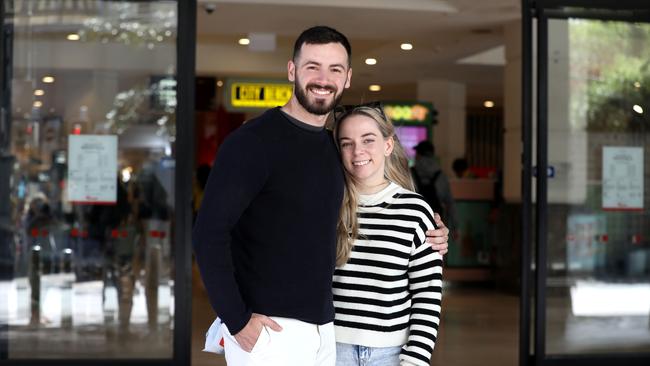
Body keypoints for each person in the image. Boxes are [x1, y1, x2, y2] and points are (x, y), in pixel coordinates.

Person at [192, 26, 449, 366]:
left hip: (326, 329)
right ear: (292, 70)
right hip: (270, 329)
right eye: (312, 66)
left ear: (347, 78)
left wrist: (434, 232)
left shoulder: (333, 149)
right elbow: (208, 233)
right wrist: (237, 320)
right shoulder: (252, 142)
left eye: (335, 69)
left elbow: (369, 203)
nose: (323, 78)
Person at [332, 104, 443, 366]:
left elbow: (427, 292)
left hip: (391, 355)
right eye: (346, 143)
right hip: (330, 351)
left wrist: (415, 359)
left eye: (368, 140)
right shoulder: (327, 206)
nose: (358, 151)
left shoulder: (415, 211)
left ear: (388, 145)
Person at [412, 140, 459, 239]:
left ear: (419, 155)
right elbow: (450, 203)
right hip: (436, 225)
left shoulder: (410, 173)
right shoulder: (441, 176)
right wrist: (455, 227)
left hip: (413, 225)